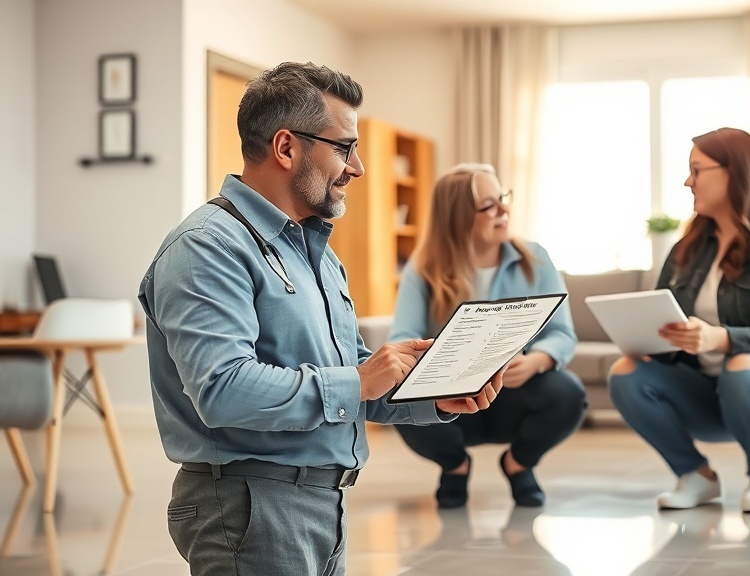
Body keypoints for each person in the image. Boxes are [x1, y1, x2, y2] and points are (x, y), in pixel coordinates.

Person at [138, 62, 502, 576]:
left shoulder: (317, 252)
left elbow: (354, 377)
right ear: (287, 148)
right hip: (252, 507)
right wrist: (359, 378)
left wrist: (432, 393)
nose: (358, 168)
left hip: (320, 504)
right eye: (345, 147)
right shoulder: (207, 248)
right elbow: (222, 388)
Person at [608, 127, 750, 514]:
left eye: (696, 170)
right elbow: (663, 313)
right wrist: (646, 338)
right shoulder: (687, 247)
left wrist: (719, 339)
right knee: (625, 371)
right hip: (708, 396)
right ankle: (695, 476)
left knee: (742, 365)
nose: (688, 181)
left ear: (734, 172)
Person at [389, 163, 586, 509]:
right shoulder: (424, 267)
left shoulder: (535, 258)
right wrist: (444, 361)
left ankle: (518, 464)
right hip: (451, 397)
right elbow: (403, 336)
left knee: (568, 393)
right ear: (458, 217)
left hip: (512, 389)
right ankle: (455, 467)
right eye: (489, 205)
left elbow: (561, 333)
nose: (504, 210)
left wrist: (537, 360)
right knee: (399, 399)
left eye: (503, 198)